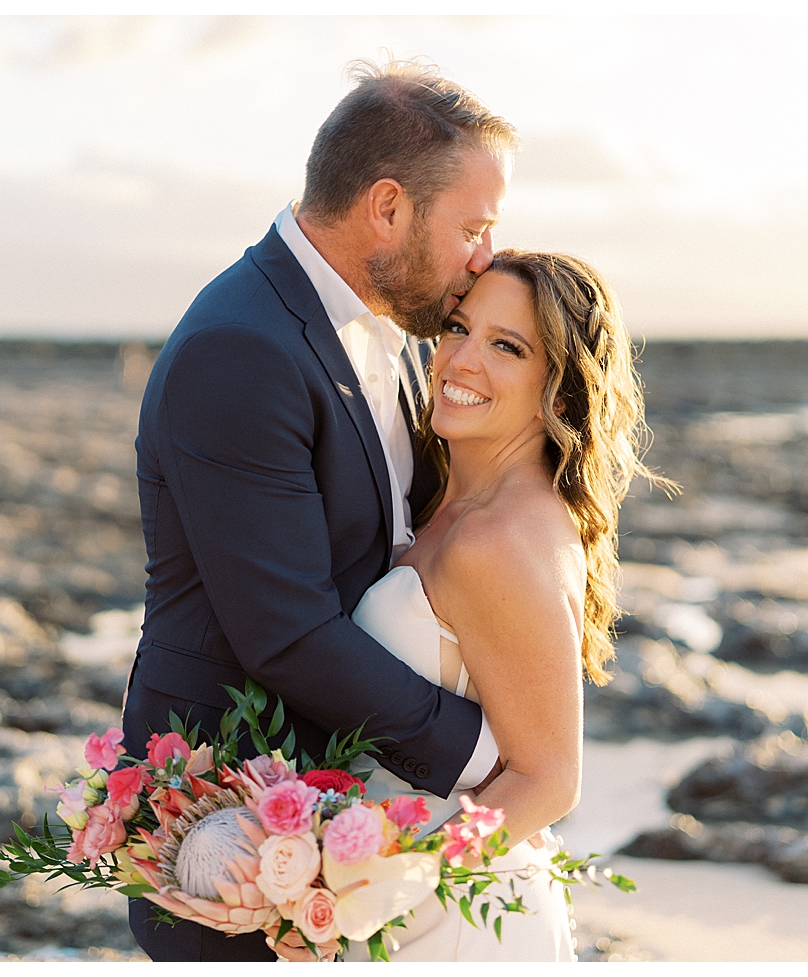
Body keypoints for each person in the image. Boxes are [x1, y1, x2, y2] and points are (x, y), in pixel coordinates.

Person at [123, 59, 518, 962]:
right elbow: (287, 629)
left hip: (359, 805)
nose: (484, 257)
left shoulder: (393, 330)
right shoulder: (241, 347)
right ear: (388, 208)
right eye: (474, 226)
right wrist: (487, 757)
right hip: (234, 829)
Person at [345, 250, 667, 960]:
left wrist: (401, 878)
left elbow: (549, 777)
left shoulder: (497, 539)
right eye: (458, 328)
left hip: (451, 918)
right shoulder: (448, 503)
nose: (459, 360)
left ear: (557, 391)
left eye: (507, 347)